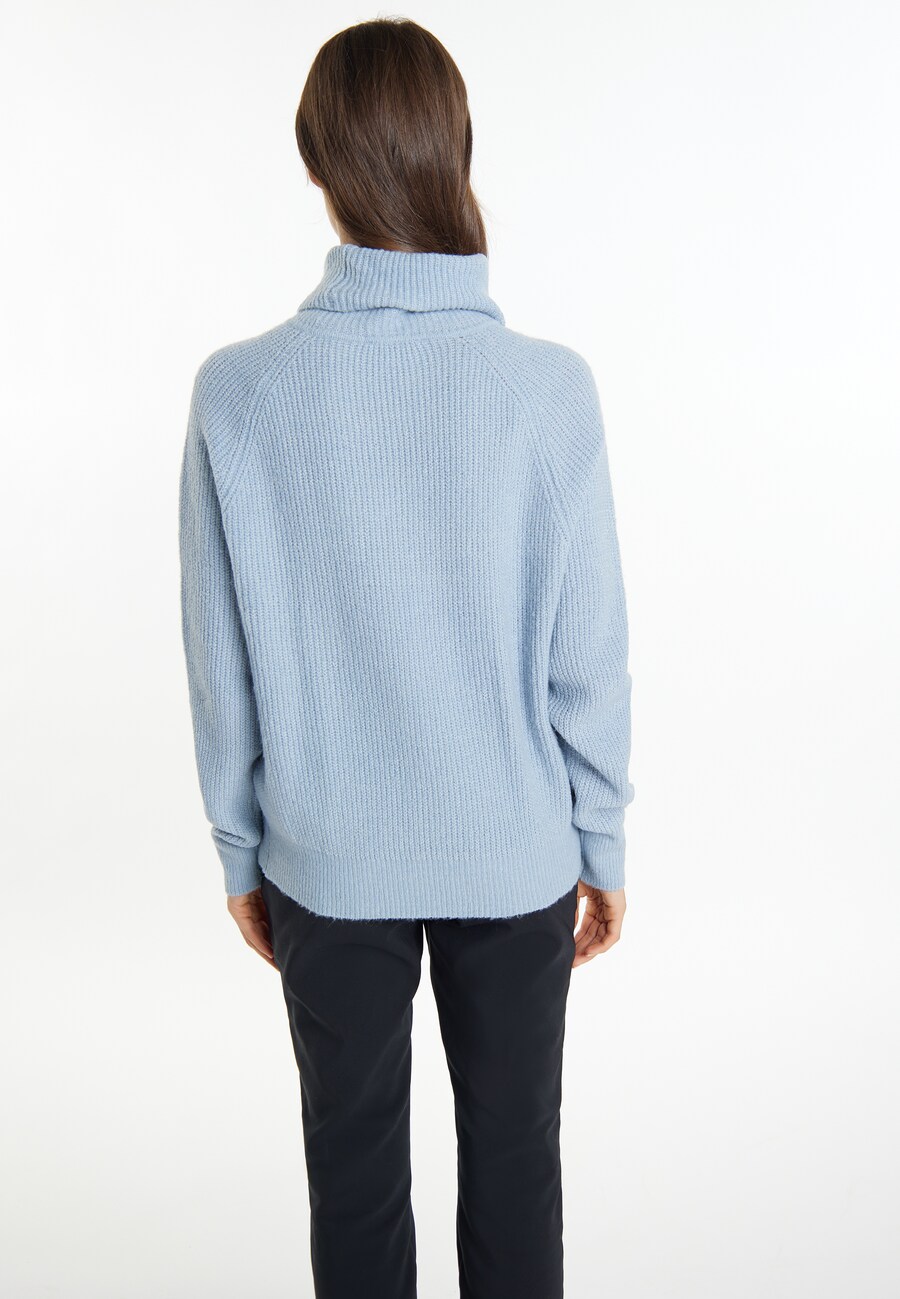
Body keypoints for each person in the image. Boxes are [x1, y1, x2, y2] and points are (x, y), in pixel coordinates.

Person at [178, 17, 635, 1299]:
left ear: (314, 160)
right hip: (516, 848)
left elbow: (221, 664)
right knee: (518, 1163)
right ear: (458, 148)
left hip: (325, 858)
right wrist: (600, 838)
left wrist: (240, 850)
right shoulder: (550, 390)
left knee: (354, 1175)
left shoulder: (240, 393)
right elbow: (589, 654)